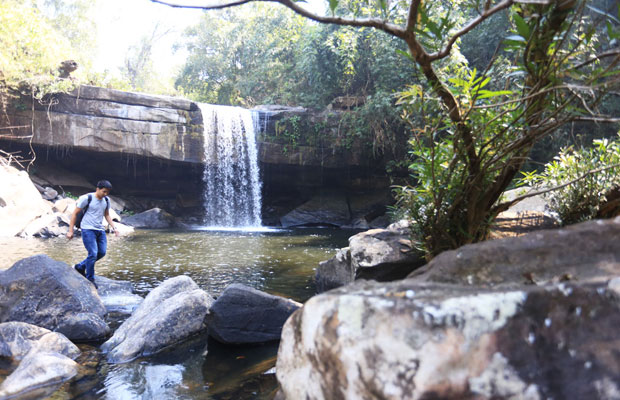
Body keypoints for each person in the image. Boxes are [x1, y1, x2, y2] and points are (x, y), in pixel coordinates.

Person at [67, 180, 119, 288]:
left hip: (100, 230)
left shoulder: (106, 200)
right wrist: (70, 230)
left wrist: (114, 227)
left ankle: (80, 266)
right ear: (98, 189)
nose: (105, 194)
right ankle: (90, 279)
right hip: (87, 229)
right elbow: (75, 214)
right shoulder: (87, 198)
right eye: (104, 191)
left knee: (102, 252)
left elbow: (107, 215)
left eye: (107, 192)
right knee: (93, 254)